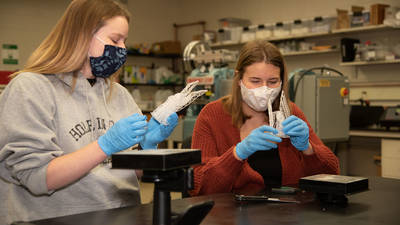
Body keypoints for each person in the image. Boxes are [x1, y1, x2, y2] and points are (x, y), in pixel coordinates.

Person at [0, 0, 178, 224]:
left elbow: (132, 175)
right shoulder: (31, 88)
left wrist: (146, 150)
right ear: (82, 35)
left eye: (125, 41)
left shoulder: (118, 94)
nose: (122, 49)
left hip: (121, 217)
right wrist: (104, 146)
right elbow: (36, 177)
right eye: (115, 40)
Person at [190, 40, 339, 196]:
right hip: (233, 215)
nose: (264, 89)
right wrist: (237, 154)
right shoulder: (212, 115)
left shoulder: (290, 112)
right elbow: (200, 186)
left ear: (281, 81)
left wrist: (308, 149)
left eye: (272, 82)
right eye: (255, 81)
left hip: (285, 213)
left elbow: (332, 173)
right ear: (239, 79)